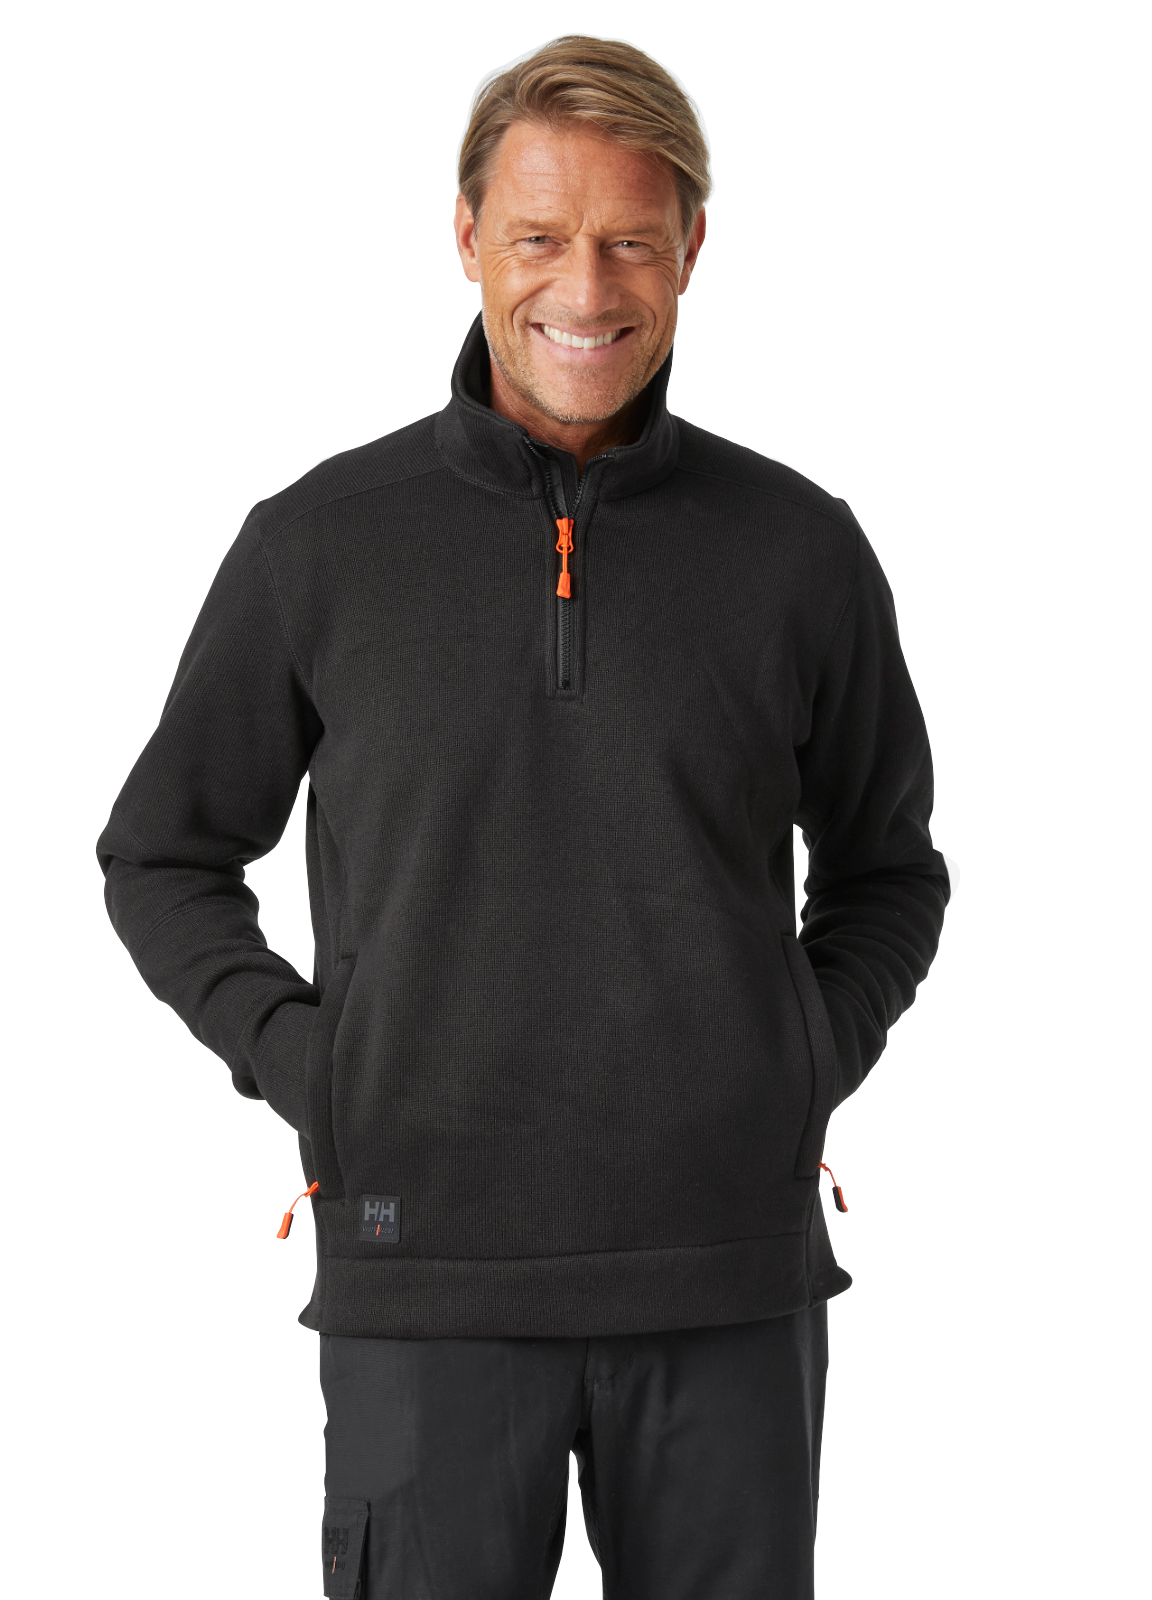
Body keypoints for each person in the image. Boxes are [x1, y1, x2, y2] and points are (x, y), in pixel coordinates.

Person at [95, 32, 959, 1600]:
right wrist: (315, 1068)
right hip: (422, 1271)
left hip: (727, 1268)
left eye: (632, 239)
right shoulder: (318, 543)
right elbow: (161, 852)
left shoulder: (802, 548)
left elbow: (892, 868)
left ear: (692, 249)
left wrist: (799, 1056)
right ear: (467, 238)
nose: (586, 285)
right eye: (543, 235)